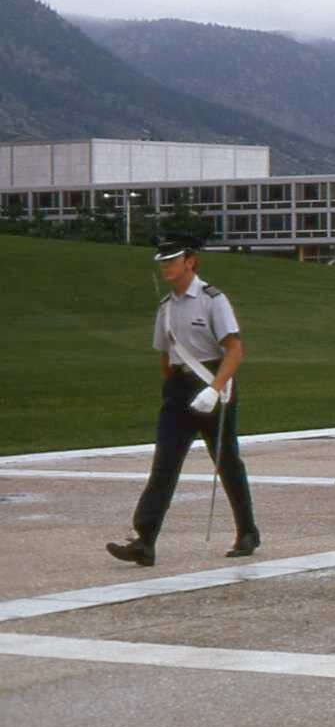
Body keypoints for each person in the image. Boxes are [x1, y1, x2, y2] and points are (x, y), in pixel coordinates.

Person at [106, 235, 259, 566]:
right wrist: (175, 388)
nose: (166, 267)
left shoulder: (212, 299)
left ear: (190, 261)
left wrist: (214, 389)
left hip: (212, 383)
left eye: (172, 260)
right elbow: (165, 356)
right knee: (164, 465)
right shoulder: (166, 306)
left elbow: (234, 349)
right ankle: (145, 541)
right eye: (162, 262)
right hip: (179, 390)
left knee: (227, 462)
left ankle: (247, 532)